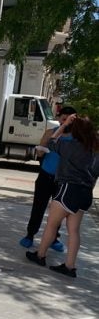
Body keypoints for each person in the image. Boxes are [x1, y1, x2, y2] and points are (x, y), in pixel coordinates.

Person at [26, 115, 99, 277]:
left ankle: (40, 255)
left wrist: (63, 125)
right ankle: (70, 266)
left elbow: (51, 142)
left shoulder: (71, 145)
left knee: (51, 224)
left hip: (68, 189)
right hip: (85, 193)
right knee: (74, 231)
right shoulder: (96, 149)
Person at [19, 107, 77, 252]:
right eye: (64, 119)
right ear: (59, 119)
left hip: (63, 180)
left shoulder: (76, 137)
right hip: (46, 175)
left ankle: (53, 238)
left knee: (58, 212)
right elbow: (39, 152)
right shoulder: (50, 133)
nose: (67, 122)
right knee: (38, 207)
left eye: (70, 120)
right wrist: (41, 149)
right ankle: (30, 235)